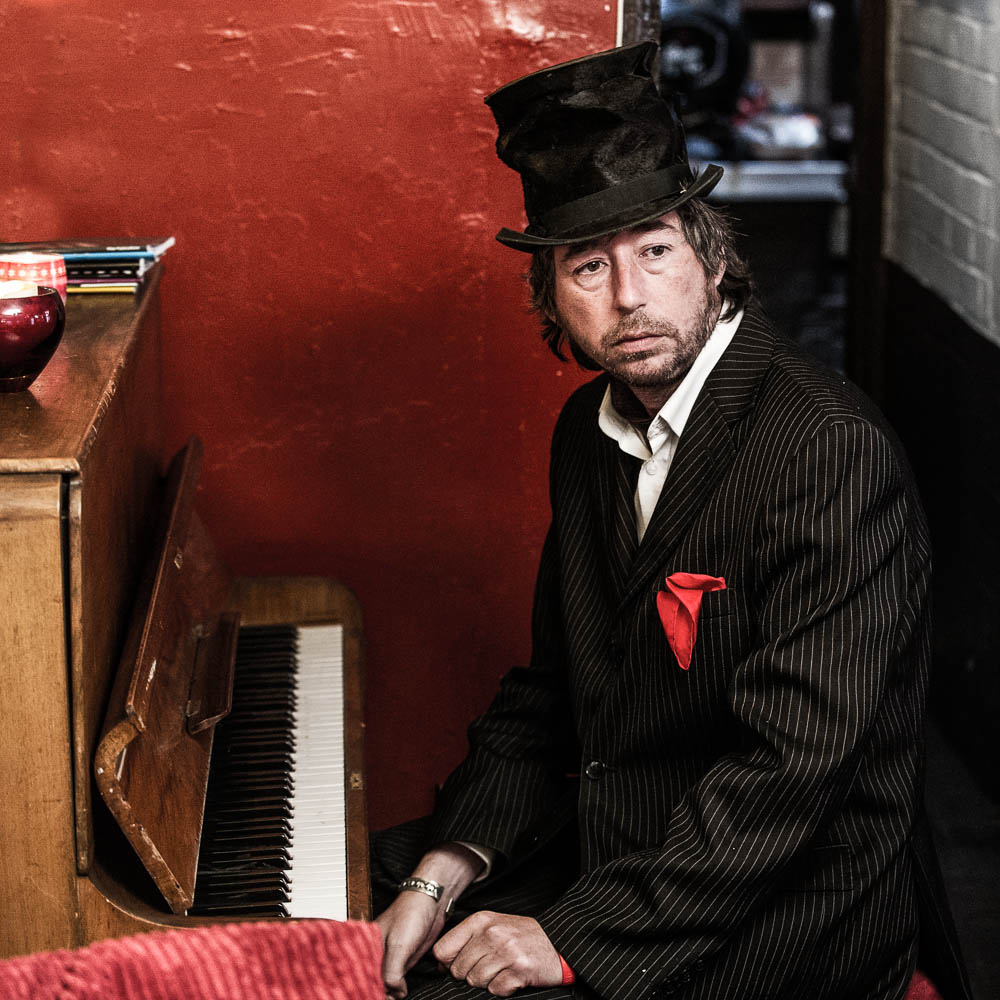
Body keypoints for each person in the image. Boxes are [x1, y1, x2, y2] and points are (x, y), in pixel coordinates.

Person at [372, 42, 972, 1000]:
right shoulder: (587, 431)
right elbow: (554, 689)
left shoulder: (829, 450)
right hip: (619, 840)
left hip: (782, 909)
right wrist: (441, 872)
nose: (629, 297)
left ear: (712, 257)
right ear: (550, 296)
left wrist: (569, 938)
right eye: (588, 266)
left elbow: (791, 771)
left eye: (654, 250)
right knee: (340, 919)